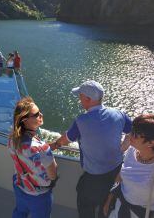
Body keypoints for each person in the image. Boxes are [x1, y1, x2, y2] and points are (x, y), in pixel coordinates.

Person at [50, 80, 132, 218]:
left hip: (94, 178)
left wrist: (53, 145)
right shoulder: (118, 114)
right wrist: (124, 146)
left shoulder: (81, 121)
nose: (79, 100)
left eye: (80, 96)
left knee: (85, 205)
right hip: (116, 173)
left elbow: (65, 140)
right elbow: (133, 130)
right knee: (106, 207)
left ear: (88, 99)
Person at [8, 97, 57, 218]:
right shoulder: (43, 148)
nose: (41, 115)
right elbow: (52, 175)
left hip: (20, 185)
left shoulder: (12, 139)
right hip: (38, 195)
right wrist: (47, 151)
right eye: (36, 114)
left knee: (20, 212)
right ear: (25, 121)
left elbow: (26, 152)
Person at [103, 114, 154, 218]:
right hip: (120, 207)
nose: (129, 135)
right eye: (132, 130)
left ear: (151, 143)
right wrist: (109, 200)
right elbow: (121, 176)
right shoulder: (131, 151)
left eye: (135, 134)